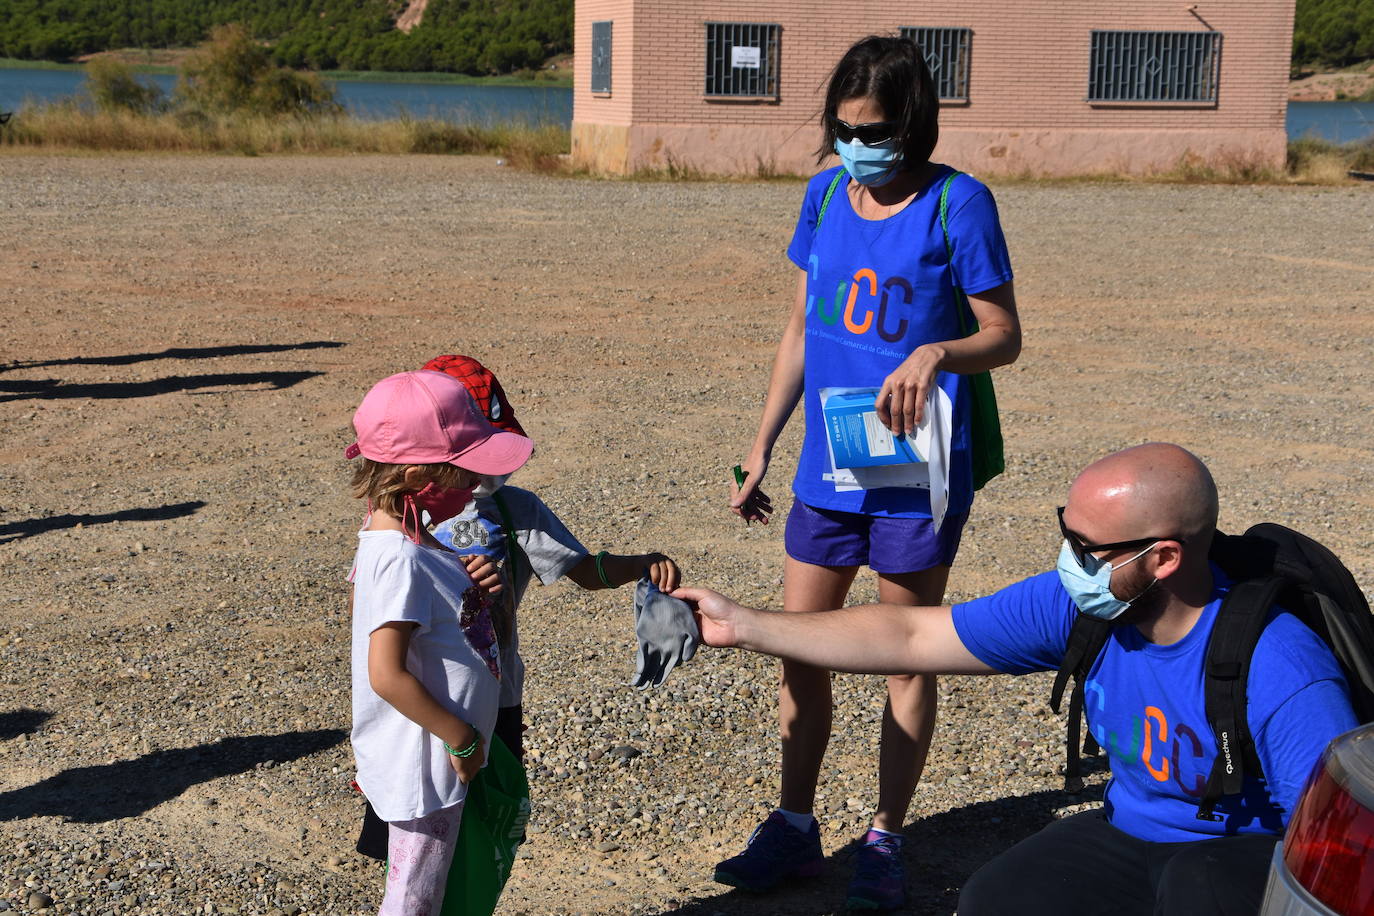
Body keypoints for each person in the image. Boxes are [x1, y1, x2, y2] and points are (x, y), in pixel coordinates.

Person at [682, 443, 1360, 916]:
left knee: (1200, 887)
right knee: (997, 899)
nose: (1069, 560)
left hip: (1240, 862)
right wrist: (743, 625)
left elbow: (1342, 857)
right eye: (1069, 535)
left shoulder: (1282, 668)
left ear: (1164, 558)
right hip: (1135, 837)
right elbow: (912, 633)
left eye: (1087, 548)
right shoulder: (1083, 605)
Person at [722, 34, 1021, 909]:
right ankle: (794, 825)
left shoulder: (959, 204)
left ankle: (885, 838)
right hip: (830, 468)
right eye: (846, 128)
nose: (861, 144)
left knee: (906, 658)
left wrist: (937, 350)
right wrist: (762, 442)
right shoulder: (822, 196)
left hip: (915, 473)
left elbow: (1004, 334)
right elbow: (799, 330)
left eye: (878, 130)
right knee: (797, 649)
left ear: (914, 124)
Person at [353, 355, 682, 862]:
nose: (477, 474)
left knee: (481, 839)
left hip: (493, 695)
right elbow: (372, 615)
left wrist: (641, 563)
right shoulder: (401, 519)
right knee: (410, 848)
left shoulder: (515, 508)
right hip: (419, 709)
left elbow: (584, 571)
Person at [346, 369, 533, 915]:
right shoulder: (398, 557)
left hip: (439, 761)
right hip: (428, 765)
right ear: (418, 477)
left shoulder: (411, 543)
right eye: (464, 473)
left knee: (441, 893)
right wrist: (463, 739)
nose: (475, 485)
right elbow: (386, 672)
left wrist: (469, 582)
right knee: (414, 902)